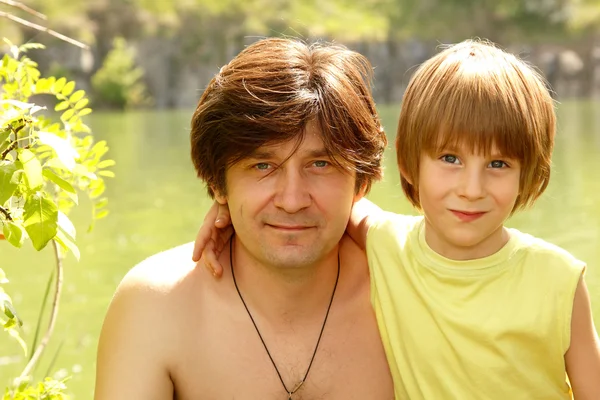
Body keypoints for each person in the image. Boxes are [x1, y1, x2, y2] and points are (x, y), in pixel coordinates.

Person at [194, 40, 600, 399]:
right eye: (450, 159)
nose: (472, 188)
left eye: (498, 163)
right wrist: (227, 207)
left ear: (529, 173)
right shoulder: (386, 243)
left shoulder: (558, 279)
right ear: (407, 162)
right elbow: (313, 205)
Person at [94, 38, 394, 399]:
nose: (292, 200)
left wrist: (374, 231)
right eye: (262, 166)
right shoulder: (158, 305)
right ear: (218, 182)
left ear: (360, 179)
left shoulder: (403, 295)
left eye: (321, 164)